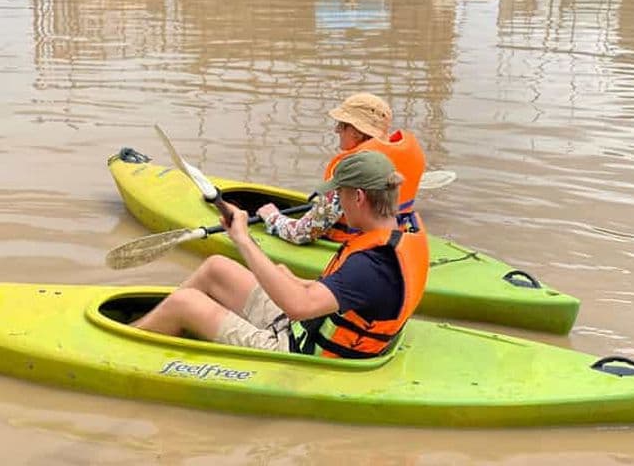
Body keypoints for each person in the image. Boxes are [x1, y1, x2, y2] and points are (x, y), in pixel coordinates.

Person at [133, 151, 429, 359]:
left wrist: (243, 240)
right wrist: (298, 281)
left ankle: (128, 341)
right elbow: (350, 296)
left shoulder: (372, 266)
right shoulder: (405, 229)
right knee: (216, 268)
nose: (337, 202)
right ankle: (159, 323)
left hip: (298, 351)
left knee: (186, 302)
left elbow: (299, 307)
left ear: (359, 197)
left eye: (339, 195)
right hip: (304, 327)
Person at [257, 92, 426, 244]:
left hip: (358, 246)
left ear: (357, 132)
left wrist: (273, 218)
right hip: (396, 238)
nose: (336, 130)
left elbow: (303, 233)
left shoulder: (351, 169)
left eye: (342, 124)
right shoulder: (408, 155)